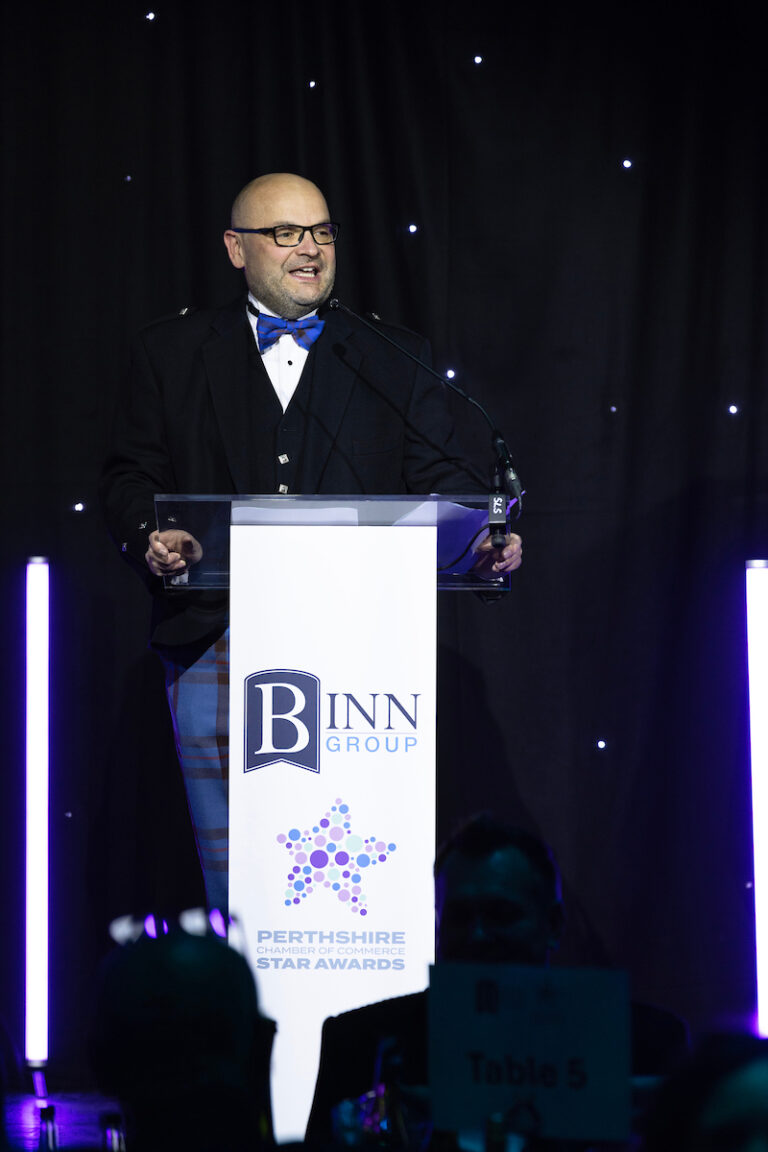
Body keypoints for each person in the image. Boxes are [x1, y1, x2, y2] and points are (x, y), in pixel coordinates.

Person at [100, 173, 522, 913]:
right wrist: (151, 536)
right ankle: (248, 1014)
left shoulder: (395, 354)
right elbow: (130, 474)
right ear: (237, 248)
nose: (309, 250)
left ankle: (348, 1022)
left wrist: (479, 543)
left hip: (361, 655)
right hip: (215, 639)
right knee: (239, 883)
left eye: (322, 232)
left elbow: (442, 483)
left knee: (348, 887)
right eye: (285, 234)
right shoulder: (170, 352)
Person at [305, 813, 689, 1146]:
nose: (477, 935)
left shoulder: (642, 1045)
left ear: (553, 925)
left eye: (500, 914)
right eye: (459, 917)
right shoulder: (360, 1043)